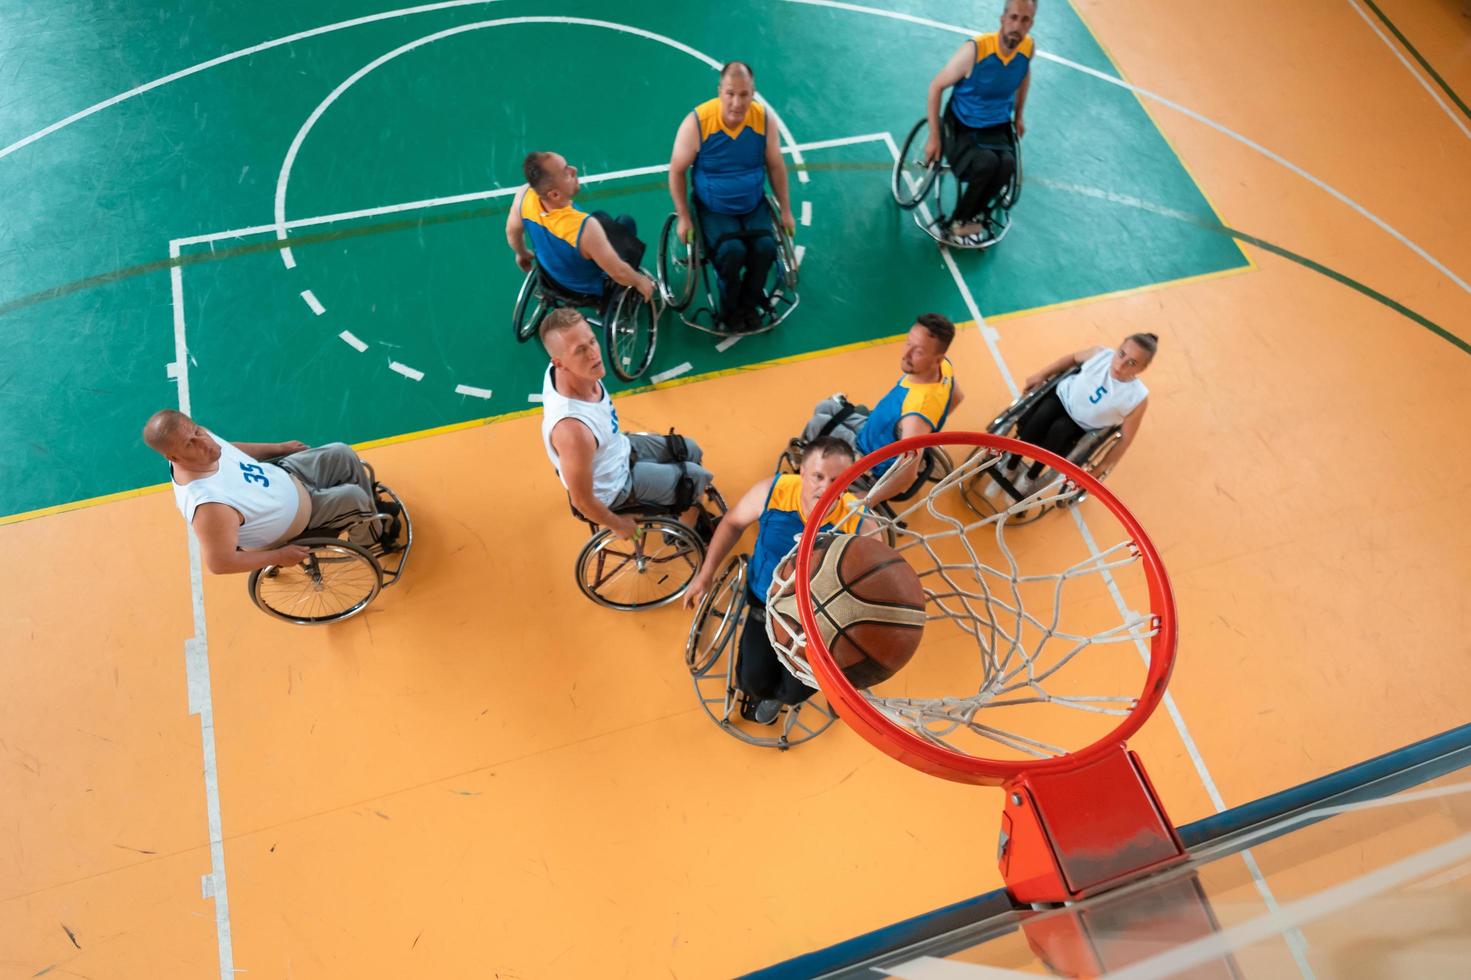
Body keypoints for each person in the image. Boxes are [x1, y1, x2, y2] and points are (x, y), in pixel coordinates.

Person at [683, 437, 869, 724]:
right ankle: (765, 695)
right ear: (802, 473)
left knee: (794, 690)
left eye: (837, 479)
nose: (826, 487)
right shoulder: (773, 492)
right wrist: (705, 574)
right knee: (752, 680)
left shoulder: (859, 522)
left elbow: (868, 581)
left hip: (816, 616)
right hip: (766, 602)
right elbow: (732, 523)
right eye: (818, 476)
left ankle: (787, 696)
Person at [143, 410, 395, 575]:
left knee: (341, 452)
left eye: (197, 431)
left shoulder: (202, 442)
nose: (205, 442)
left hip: (283, 476)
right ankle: (371, 538)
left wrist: (279, 448)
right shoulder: (209, 507)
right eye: (191, 443)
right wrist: (279, 556)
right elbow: (219, 563)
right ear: (172, 457)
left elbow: (230, 450)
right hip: (298, 520)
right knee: (354, 497)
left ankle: (368, 513)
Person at [539, 308, 714, 539]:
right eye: (580, 350)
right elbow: (581, 501)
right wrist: (617, 524)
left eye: (592, 341)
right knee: (695, 477)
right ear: (559, 363)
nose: (593, 354)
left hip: (617, 448)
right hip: (614, 487)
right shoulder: (573, 430)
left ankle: (674, 505)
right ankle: (682, 536)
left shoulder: (568, 370)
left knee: (691, 449)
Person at [668, 61, 797, 332]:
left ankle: (750, 304)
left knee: (764, 249)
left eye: (744, 94)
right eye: (730, 93)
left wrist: (785, 210)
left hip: (752, 203)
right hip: (714, 207)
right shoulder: (698, 123)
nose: (737, 102)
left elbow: (775, 165)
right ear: (720, 91)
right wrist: (683, 217)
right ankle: (730, 309)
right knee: (731, 252)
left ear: (753, 93)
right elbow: (677, 171)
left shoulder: (763, 120)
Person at [800, 314, 966, 502]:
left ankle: (806, 468)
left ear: (936, 359)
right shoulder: (945, 367)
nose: (907, 354)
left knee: (817, 422)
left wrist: (866, 501)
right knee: (825, 407)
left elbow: (907, 475)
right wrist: (928, 431)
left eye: (918, 352)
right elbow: (957, 397)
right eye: (908, 342)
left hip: (868, 457)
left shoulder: (916, 415)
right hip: (874, 429)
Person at [923, 0, 1036, 245]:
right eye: (1014, 17)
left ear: (1031, 24)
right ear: (1003, 19)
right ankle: (958, 222)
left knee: (1006, 164)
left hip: (996, 124)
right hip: (963, 124)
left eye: (1025, 20)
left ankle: (975, 216)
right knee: (986, 163)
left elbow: (1024, 75)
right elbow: (936, 87)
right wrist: (934, 137)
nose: (1018, 25)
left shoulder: (1027, 48)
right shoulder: (976, 50)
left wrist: (1019, 115)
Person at [1003, 332, 1158, 491]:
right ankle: (1010, 466)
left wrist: (1101, 466)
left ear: (1142, 368)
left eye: (1132, 363)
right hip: (1061, 398)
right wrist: (1041, 374)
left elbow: (1125, 439)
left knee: (1060, 429)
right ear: (1118, 348)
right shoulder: (1100, 354)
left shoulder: (1138, 397)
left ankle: (1030, 477)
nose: (1120, 365)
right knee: (1043, 414)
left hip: (1080, 426)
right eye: (1121, 354)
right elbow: (1071, 359)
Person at [506, 150, 656, 304]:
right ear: (555, 195)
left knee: (601, 216)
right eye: (566, 172)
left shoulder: (524, 196)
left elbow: (512, 232)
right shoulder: (585, 228)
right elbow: (618, 272)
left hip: (551, 278)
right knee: (625, 223)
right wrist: (639, 281)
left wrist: (522, 253)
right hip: (587, 289)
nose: (574, 169)